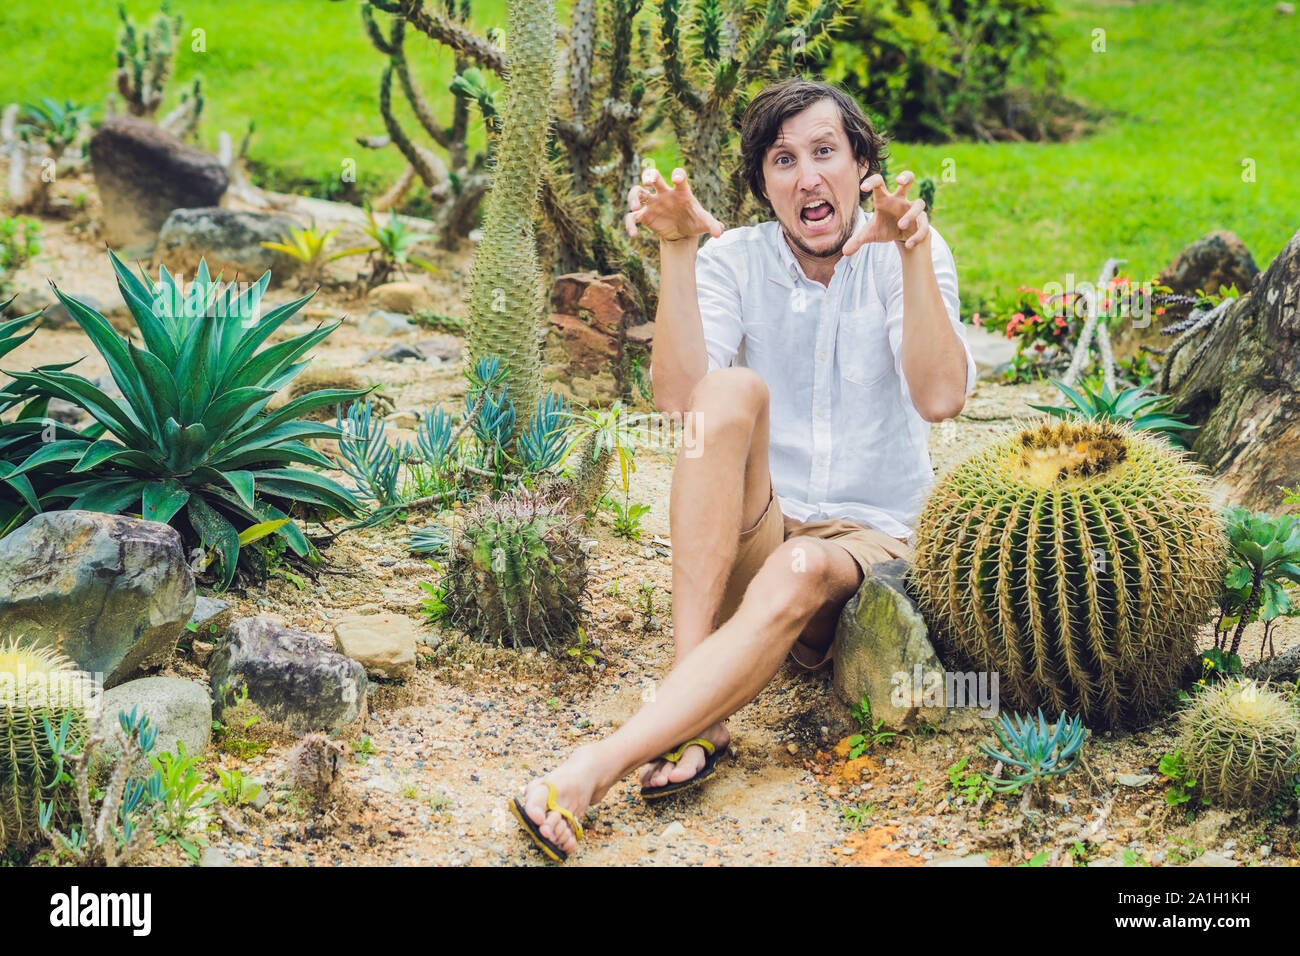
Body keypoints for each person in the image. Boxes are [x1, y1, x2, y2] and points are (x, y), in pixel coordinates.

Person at [508, 77, 976, 861]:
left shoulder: (909, 254)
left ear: (862, 163)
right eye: (784, 160)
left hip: (866, 543)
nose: (807, 176)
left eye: (826, 152)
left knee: (798, 565)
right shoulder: (738, 258)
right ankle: (700, 703)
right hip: (761, 526)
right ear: (764, 184)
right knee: (725, 391)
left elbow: (940, 397)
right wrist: (680, 249)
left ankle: (595, 769)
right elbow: (681, 404)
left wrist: (916, 250)